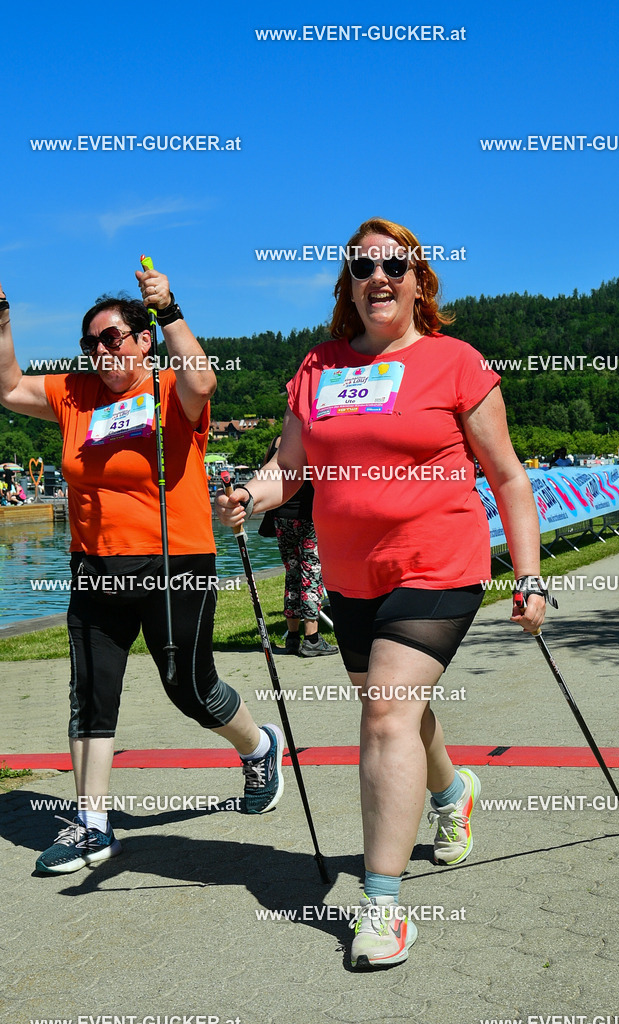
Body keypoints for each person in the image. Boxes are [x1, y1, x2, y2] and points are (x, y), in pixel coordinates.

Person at [218, 217, 549, 968]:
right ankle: (450, 792)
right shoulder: (318, 368)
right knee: (402, 711)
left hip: (439, 563)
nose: (379, 277)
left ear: (418, 280)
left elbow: (507, 477)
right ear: (347, 283)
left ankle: (382, 905)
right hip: (351, 576)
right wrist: (252, 493)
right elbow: (289, 468)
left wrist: (528, 577)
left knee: (382, 714)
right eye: (362, 265)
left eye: (393, 265)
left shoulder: (454, 362)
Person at [0, 267, 284, 875]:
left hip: (175, 560)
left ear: (143, 339)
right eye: (91, 343)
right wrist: (1, 317)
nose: (102, 352)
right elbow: (5, 387)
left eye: (114, 339)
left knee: (188, 686)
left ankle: (259, 747)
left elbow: (203, 377)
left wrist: (173, 307)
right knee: (90, 694)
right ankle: (93, 825)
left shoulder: (167, 389)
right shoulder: (72, 395)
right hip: (96, 567)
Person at [261, 435, 338, 657]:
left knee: (292, 574)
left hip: (282, 516)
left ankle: (293, 638)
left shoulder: (276, 443)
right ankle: (312, 639)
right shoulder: (309, 441)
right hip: (308, 517)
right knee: (311, 575)